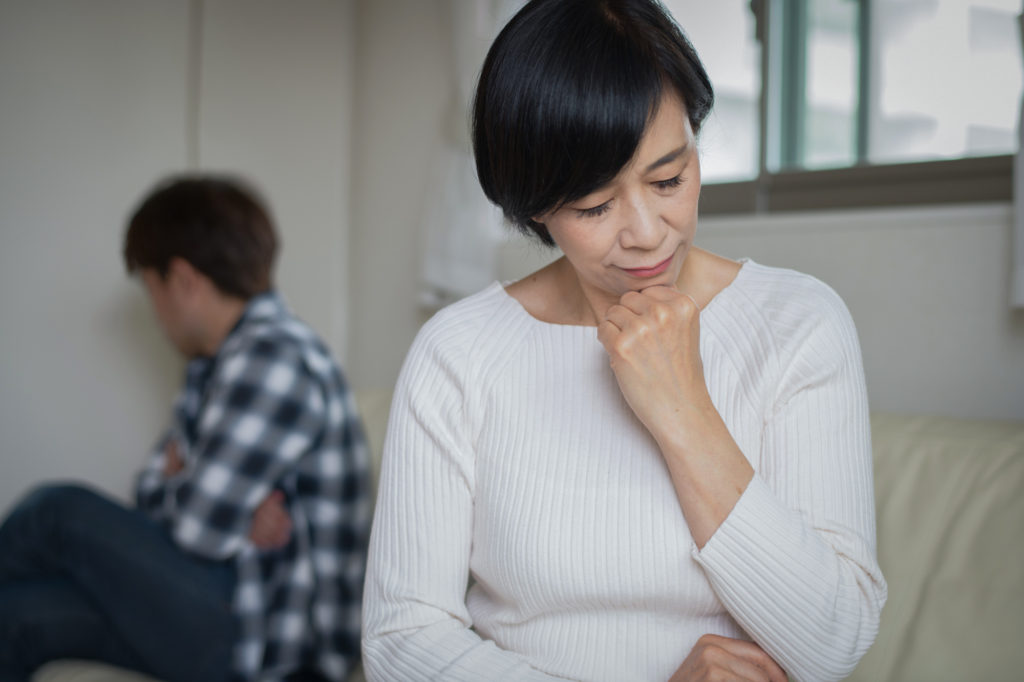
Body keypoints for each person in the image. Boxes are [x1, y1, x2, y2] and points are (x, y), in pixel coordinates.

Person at [361, 1, 886, 681]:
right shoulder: (458, 353)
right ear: (535, 207)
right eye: (594, 206)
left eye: (669, 179)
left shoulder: (798, 324)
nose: (645, 232)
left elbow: (833, 642)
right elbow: (403, 638)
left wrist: (683, 408)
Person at [0, 176, 372, 682]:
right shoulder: (212, 365)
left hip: (272, 643)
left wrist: (198, 497)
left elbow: (197, 528)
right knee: (17, 616)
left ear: (183, 280)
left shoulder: (273, 357)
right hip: (230, 600)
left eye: (151, 288)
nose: (155, 312)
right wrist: (228, 515)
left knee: (58, 512)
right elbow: (155, 494)